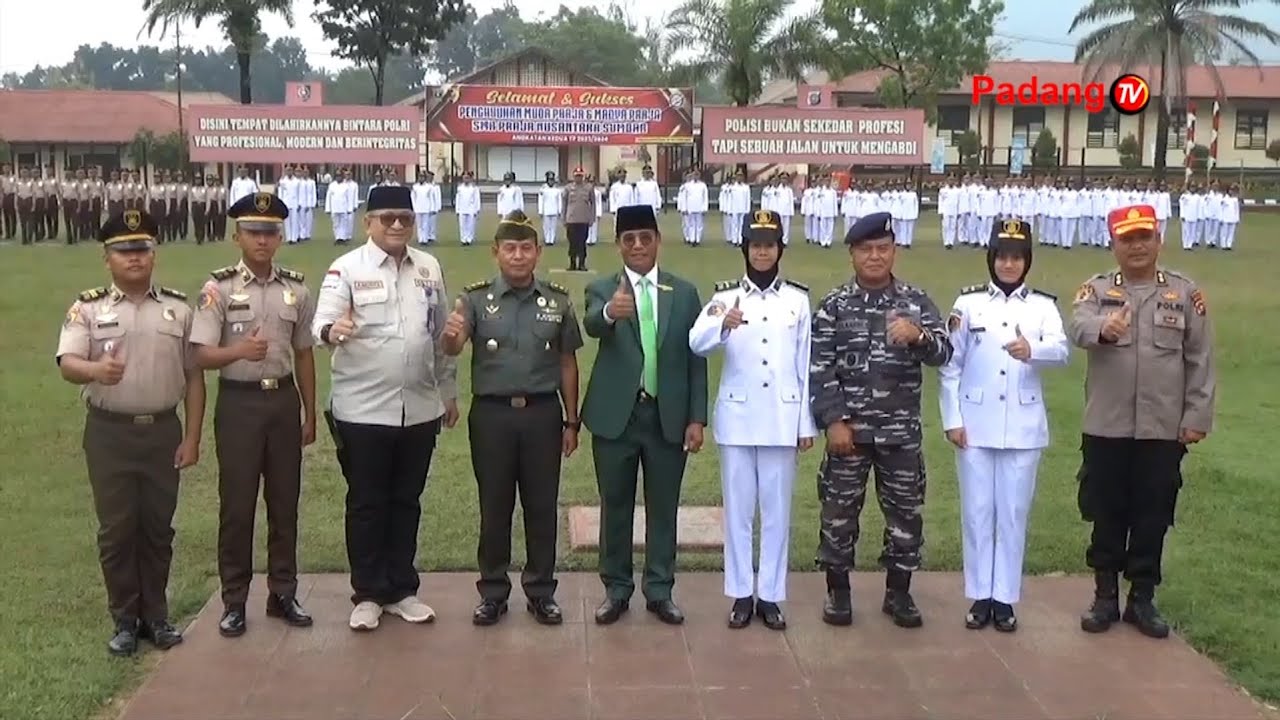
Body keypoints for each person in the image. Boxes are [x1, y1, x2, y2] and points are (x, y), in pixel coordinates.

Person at [55, 209, 205, 656]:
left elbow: (194, 376)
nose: (134, 258)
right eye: (124, 251)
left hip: (162, 431)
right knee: (117, 530)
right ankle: (124, 619)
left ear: (154, 254)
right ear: (107, 259)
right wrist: (95, 370)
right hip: (110, 433)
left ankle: (156, 616)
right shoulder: (88, 308)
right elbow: (67, 363)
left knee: (158, 528)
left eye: (142, 249)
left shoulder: (178, 309)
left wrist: (193, 437)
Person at [311, 184, 460, 631]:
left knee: (406, 501)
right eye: (387, 218)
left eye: (405, 218)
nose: (397, 225)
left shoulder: (428, 267)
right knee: (367, 503)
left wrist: (448, 392)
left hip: (419, 407)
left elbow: (441, 336)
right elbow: (322, 323)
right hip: (363, 410)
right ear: (368, 223)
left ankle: (401, 590)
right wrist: (333, 331)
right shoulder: (346, 268)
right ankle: (368, 593)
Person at [1068, 204, 1215, 639]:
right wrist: (1104, 328)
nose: (1136, 247)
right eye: (1127, 239)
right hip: (1107, 425)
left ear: (1158, 241)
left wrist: (1196, 416)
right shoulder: (1096, 290)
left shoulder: (1184, 294)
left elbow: (1200, 359)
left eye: (1144, 237)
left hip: (1162, 427)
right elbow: (1077, 327)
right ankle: (1105, 596)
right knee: (1106, 511)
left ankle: (1142, 598)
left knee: (1153, 514)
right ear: (1113, 244)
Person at [441, 210, 584, 626]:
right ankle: (493, 592)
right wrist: (450, 335)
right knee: (495, 506)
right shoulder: (475, 299)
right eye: (510, 248)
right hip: (492, 417)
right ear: (496, 252)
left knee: (542, 506)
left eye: (525, 248)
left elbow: (568, 362)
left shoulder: (557, 301)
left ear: (538, 252)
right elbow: (453, 347)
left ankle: (541, 591)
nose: (518, 256)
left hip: (542, 415)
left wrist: (571, 421)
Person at [810, 211, 952, 628]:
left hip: (899, 433)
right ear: (852, 255)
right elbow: (819, 367)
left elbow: (945, 352)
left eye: (883, 249)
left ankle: (899, 593)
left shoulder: (915, 302)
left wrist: (919, 336)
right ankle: (838, 592)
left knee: (905, 516)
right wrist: (834, 421)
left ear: (894, 252)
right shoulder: (835, 305)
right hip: (849, 433)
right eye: (866, 249)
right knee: (838, 515)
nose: (875, 256)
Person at [189, 192, 318, 637]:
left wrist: (309, 412)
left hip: (282, 401)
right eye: (253, 232)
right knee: (238, 506)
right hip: (239, 403)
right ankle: (234, 599)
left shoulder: (296, 289)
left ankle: (283, 592)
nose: (262, 240)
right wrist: (239, 351)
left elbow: (304, 353)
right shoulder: (219, 289)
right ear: (237, 237)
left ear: (280, 237)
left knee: (284, 503)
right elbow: (200, 354)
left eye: (270, 232)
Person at [938, 219, 1070, 632]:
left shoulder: (1042, 306)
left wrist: (1034, 350)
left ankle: (1005, 597)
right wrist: (952, 418)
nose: (1009, 264)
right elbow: (950, 365)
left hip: (1024, 425)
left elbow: (1062, 351)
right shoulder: (969, 303)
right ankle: (980, 594)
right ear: (991, 259)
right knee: (977, 511)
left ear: (1027, 261)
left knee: (1013, 513)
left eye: (1016, 257)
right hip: (975, 424)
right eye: (1002, 257)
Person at [689, 209, 817, 630]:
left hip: (782, 417)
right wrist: (722, 327)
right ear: (744, 248)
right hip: (739, 418)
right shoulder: (726, 297)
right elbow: (696, 342)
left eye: (769, 245)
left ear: (780, 249)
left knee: (777, 513)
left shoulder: (797, 300)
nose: (762, 252)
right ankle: (742, 592)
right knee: (739, 511)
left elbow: (805, 362)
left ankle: (771, 595)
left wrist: (805, 424)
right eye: (756, 245)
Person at [581, 204, 709, 626]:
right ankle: (616, 589)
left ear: (658, 241)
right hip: (616, 417)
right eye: (629, 239)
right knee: (615, 505)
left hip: (666, 416)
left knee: (663, 507)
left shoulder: (683, 293)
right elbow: (591, 324)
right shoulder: (603, 288)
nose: (638, 246)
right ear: (618, 244)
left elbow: (696, 360)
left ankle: (659, 589)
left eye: (645, 238)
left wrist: (696, 417)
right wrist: (609, 312)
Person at [563, 167, 596, 271]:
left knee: (582, 242)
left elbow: (593, 204)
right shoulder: (568, 188)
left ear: (583, 176)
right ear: (573, 176)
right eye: (576, 176)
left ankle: (582, 264)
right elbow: (564, 204)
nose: (578, 178)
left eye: (580, 176)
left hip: (583, 219)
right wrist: (563, 218)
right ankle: (572, 263)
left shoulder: (589, 188)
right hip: (571, 220)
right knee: (572, 242)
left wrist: (592, 218)